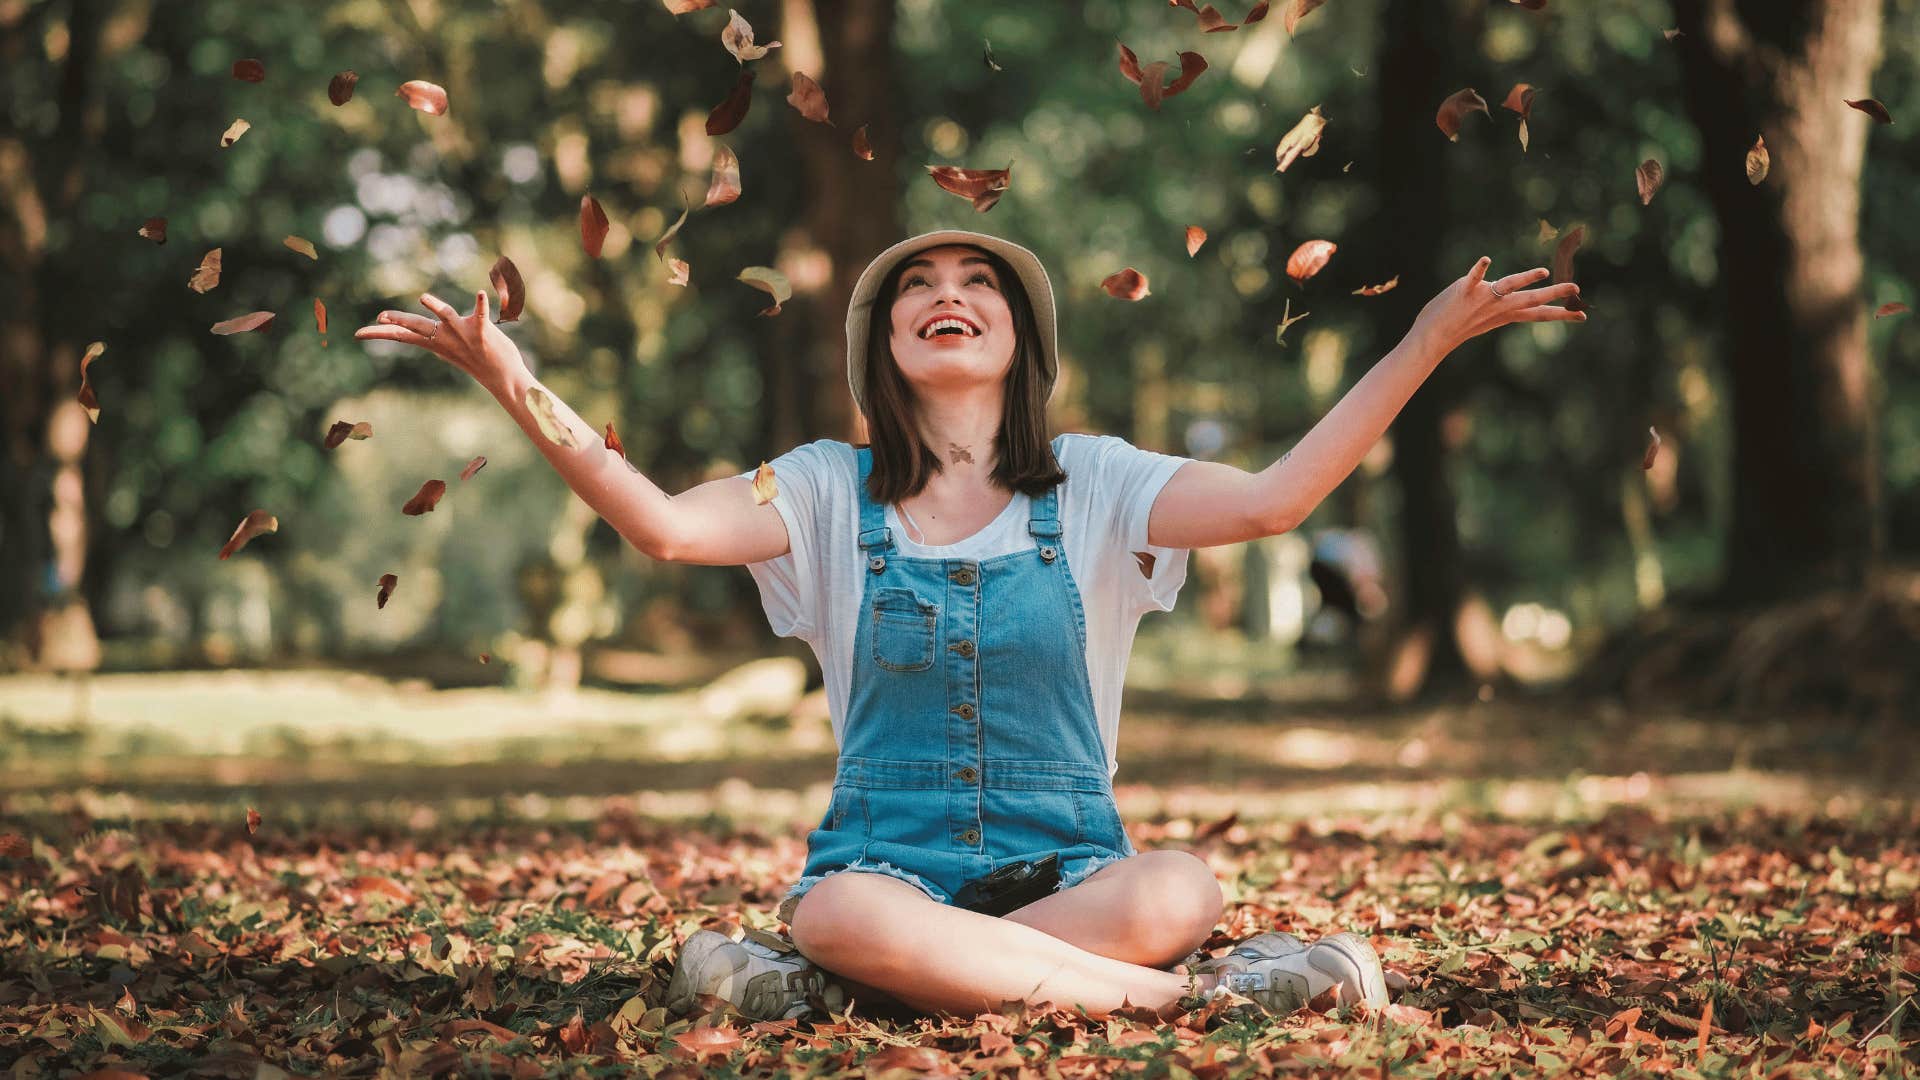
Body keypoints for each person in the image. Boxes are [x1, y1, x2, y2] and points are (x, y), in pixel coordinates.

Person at [355, 228, 1583, 1025]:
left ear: (1019, 341)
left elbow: (1279, 500)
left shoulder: (1098, 484)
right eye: (919, 292)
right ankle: (1189, 1003)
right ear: (888, 348)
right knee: (837, 910)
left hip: (1075, 878)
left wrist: (1425, 340)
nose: (949, 295)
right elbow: (665, 526)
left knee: (1180, 883)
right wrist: (511, 378)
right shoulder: (827, 489)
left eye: (977, 282)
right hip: (888, 872)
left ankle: (856, 993)